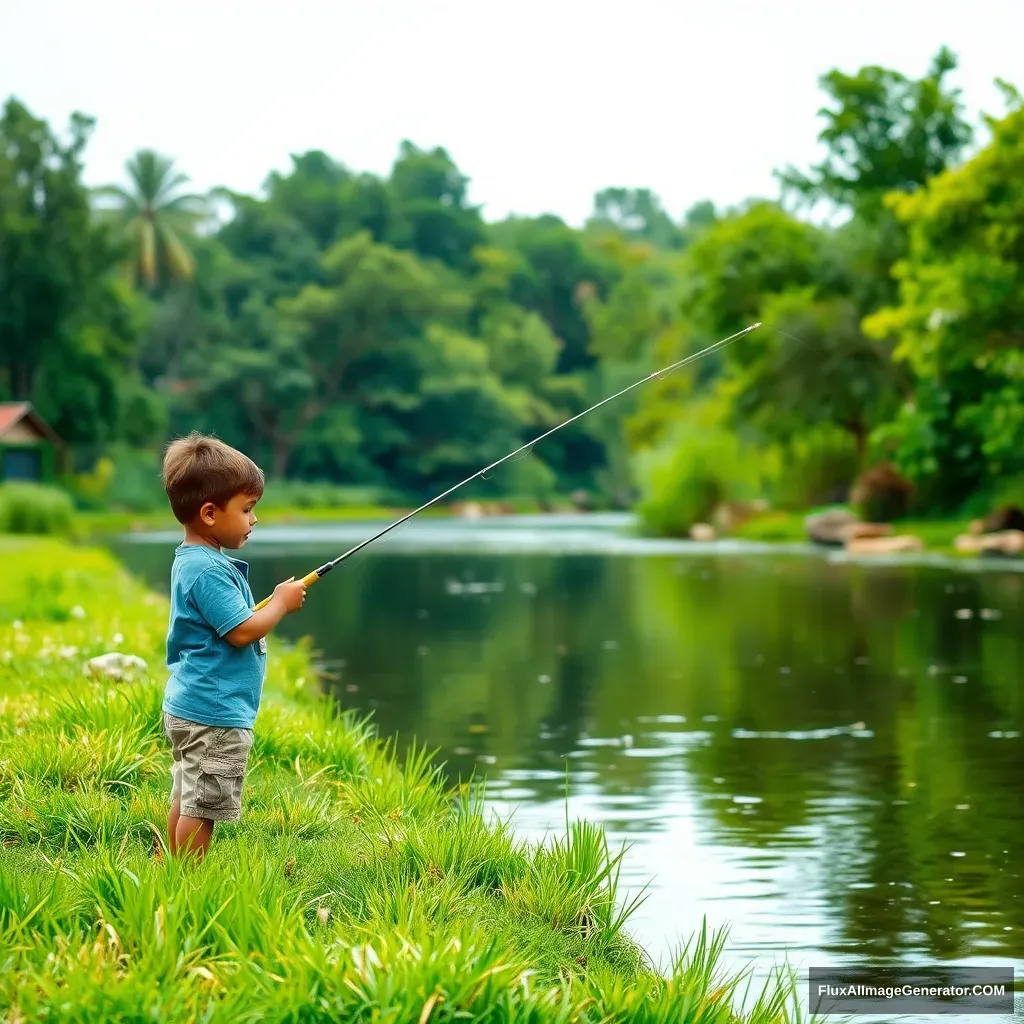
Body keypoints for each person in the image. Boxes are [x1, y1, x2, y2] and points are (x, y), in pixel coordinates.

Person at [159, 432, 307, 859]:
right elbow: (242, 631)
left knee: (188, 794)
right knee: (202, 807)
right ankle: (190, 881)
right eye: (247, 510)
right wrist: (280, 603)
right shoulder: (208, 570)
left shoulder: (194, 560)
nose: (253, 520)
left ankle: (169, 864)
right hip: (215, 712)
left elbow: (227, 622)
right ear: (209, 513)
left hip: (194, 703)